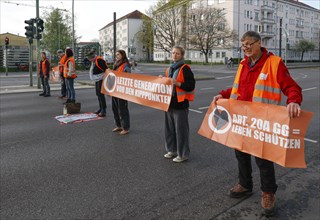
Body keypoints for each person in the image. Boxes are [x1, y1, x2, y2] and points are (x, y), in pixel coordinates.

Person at [213, 31, 302, 216]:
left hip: (262, 121)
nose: (245, 48)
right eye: (242, 45)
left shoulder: (274, 63)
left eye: (248, 44)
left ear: (259, 43)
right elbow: (239, 88)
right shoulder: (244, 63)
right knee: (241, 153)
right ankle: (245, 184)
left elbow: (291, 86)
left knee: (263, 159)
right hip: (242, 119)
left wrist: (293, 100)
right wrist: (224, 94)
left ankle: (268, 193)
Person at [162, 45, 195, 163]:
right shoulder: (169, 69)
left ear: (182, 55)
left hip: (180, 105)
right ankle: (172, 150)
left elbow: (191, 86)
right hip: (169, 104)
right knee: (169, 129)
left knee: (181, 131)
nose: (174, 55)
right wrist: (162, 80)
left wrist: (178, 83)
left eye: (177, 53)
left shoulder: (185, 68)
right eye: (172, 53)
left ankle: (183, 154)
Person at [111, 50, 131, 135]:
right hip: (115, 90)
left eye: (118, 54)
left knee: (122, 109)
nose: (117, 56)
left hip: (122, 91)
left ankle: (125, 128)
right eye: (116, 55)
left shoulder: (125, 65)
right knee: (115, 108)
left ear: (123, 55)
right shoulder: (116, 64)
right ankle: (119, 125)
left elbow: (128, 77)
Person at [87, 50, 108, 117]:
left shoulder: (99, 60)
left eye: (90, 59)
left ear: (92, 58)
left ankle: (103, 110)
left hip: (101, 79)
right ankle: (100, 108)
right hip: (97, 79)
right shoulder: (95, 61)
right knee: (98, 94)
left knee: (100, 95)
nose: (90, 61)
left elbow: (105, 69)